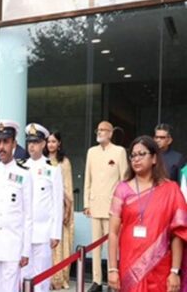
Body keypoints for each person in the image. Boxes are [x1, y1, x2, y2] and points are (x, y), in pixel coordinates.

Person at [107, 136, 187, 291]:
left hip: (160, 265)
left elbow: (178, 234)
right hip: (129, 264)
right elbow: (113, 233)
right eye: (133, 155)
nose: (136, 159)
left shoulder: (171, 190)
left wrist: (174, 271)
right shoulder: (122, 189)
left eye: (141, 154)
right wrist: (112, 269)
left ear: (154, 158)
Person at [0, 120, 32, 292]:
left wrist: (25, 250)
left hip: (13, 245)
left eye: (6, 142)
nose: (1, 147)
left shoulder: (24, 175)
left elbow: (28, 215)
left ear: (14, 144)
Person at [84, 120, 127, 292]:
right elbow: (88, 178)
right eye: (98, 129)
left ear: (110, 133)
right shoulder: (91, 152)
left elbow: (124, 181)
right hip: (95, 205)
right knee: (95, 246)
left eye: (103, 130)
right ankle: (97, 281)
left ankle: (112, 280)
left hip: (113, 208)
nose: (100, 132)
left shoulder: (119, 151)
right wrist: (86, 203)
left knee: (112, 245)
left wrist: (123, 206)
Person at [21, 123, 63, 292]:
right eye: (29, 142)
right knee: (24, 275)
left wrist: (55, 232)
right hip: (24, 232)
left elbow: (57, 202)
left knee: (42, 278)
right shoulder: (21, 167)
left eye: (36, 142)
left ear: (43, 144)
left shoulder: (52, 169)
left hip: (43, 231)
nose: (32, 145)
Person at [46, 131, 74, 290]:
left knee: (60, 244)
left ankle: (59, 279)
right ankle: (46, 277)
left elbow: (68, 187)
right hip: (45, 208)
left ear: (59, 144)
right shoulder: (42, 162)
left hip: (61, 206)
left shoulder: (65, 162)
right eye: (48, 141)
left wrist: (67, 210)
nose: (51, 144)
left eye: (54, 141)